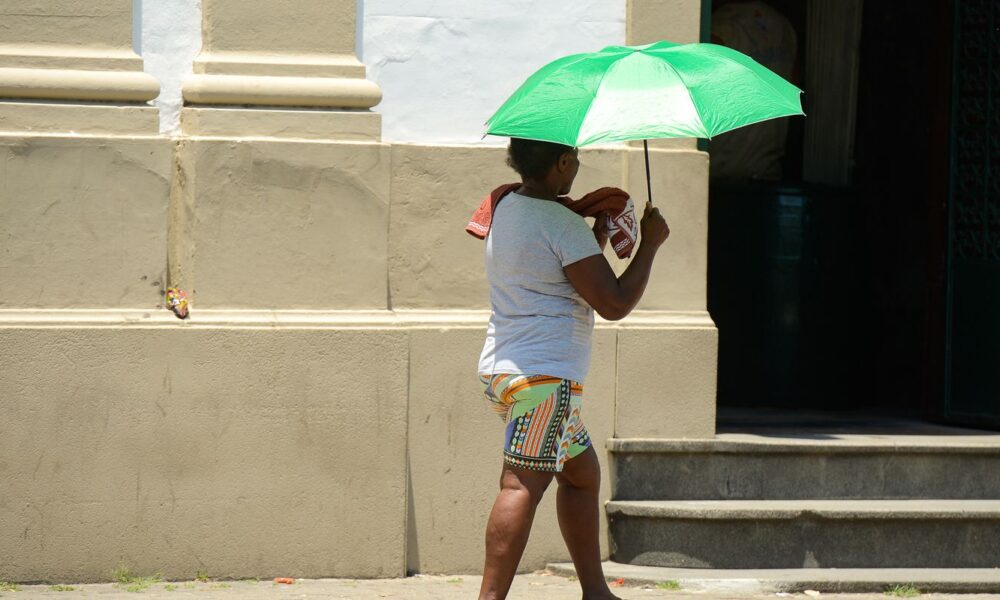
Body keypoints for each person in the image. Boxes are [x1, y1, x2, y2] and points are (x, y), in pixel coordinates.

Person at [476, 137, 670, 600]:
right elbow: (614, 302)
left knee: (581, 474)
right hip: (545, 380)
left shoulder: (506, 207)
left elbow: (557, 274)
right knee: (521, 485)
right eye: (576, 158)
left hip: (505, 372)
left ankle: (596, 593)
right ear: (562, 162)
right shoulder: (561, 222)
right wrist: (651, 244)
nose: (579, 165)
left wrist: (594, 238)